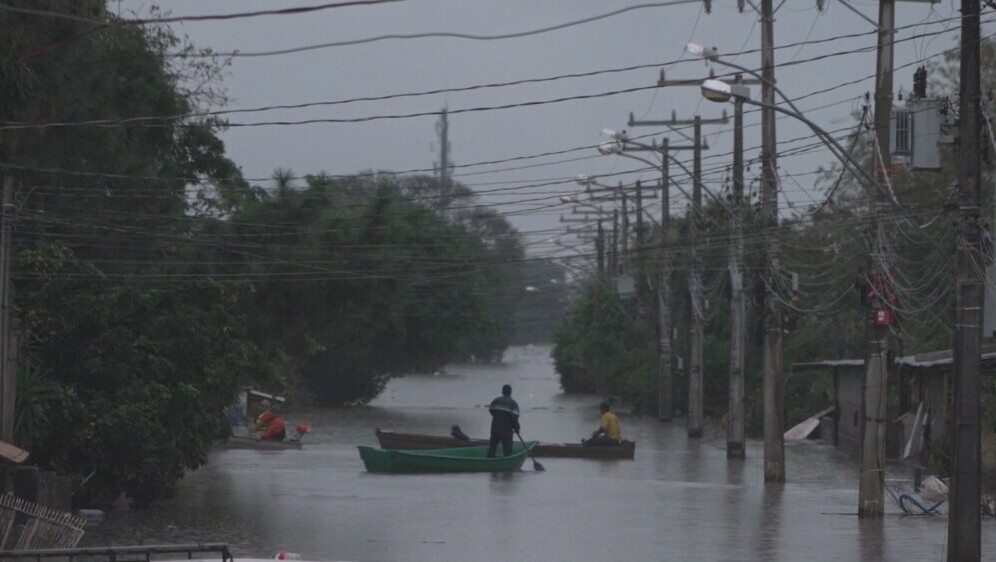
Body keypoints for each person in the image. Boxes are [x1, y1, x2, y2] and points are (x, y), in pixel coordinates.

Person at [486, 384, 520, 457]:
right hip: (506, 431)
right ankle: (507, 463)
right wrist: (517, 428)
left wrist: (498, 417)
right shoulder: (513, 404)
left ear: (502, 392)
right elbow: (514, 419)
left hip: (495, 429)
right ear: (511, 392)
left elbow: (491, 410)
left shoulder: (496, 401)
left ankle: (489, 461)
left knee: (492, 448)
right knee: (507, 450)